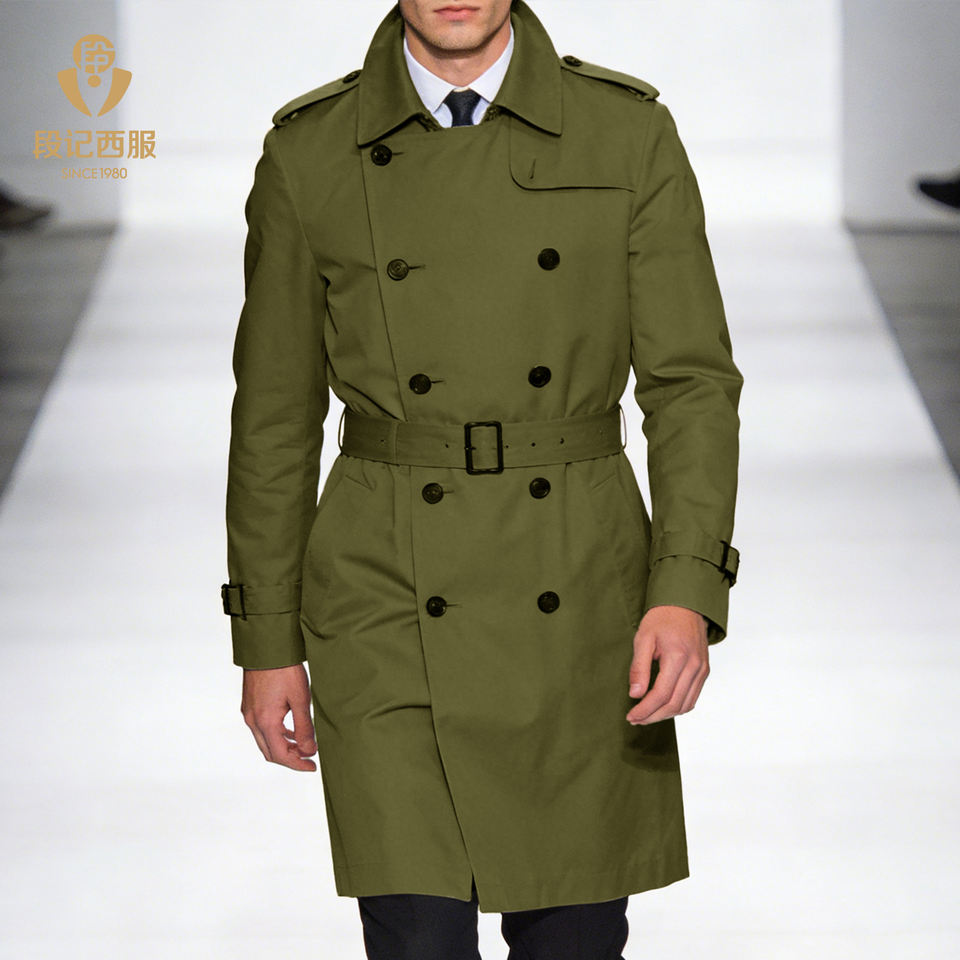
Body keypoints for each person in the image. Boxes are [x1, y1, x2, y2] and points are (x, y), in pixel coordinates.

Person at [220, 2, 742, 957]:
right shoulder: (311, 151)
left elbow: (691, 386)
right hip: (385, 591)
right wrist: (265, 637)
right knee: (415, 936)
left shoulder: (625, 132)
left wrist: (686, 588)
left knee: (574, 939)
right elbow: (274, 418)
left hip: (576, 582)